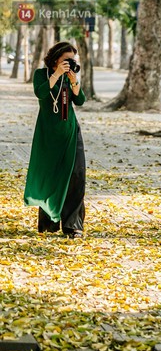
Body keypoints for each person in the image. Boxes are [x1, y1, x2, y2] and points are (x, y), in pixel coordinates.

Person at [23, 42, 86, 238]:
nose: (70, 63)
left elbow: (80, 100)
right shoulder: (41, 75)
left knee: (76, 177)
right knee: (51, 175)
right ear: (56, 58)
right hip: (48, 134)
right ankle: (49, 223)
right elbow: (41, 93)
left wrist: (74, 81)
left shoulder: (70, 76)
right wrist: (57, 74)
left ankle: (72, 225)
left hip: (70, 132)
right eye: (67, 59)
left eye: (73, 60)